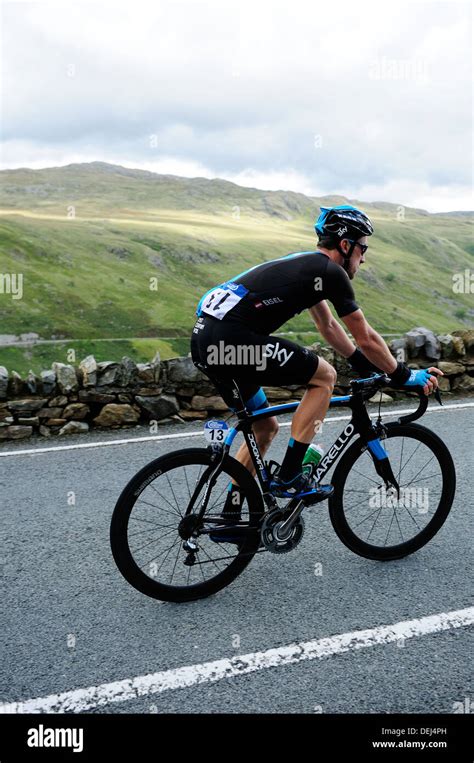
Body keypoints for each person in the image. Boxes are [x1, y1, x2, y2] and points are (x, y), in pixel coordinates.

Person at [190, 205, 442, 526]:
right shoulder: (329, 272)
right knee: (324, 377)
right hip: (232, 343)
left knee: (264, 429)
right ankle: (292, 475)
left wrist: (362, 365)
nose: (364, 258)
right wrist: (405, 376)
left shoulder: (309, 269)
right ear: (346, 245)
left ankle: (230, 514)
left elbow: (330, 328)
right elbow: (364, 335)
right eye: (362, 248)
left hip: (206, 343)